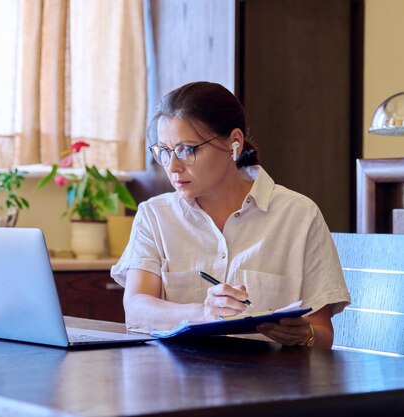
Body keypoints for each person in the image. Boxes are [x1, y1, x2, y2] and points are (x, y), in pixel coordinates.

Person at [111, 81, 350, 349]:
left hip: (269, 384)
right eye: (165, 152)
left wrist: (305, 336)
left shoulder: (299, 216)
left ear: (234, 143)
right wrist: (203, 313)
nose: (173, 167)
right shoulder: (154, 216)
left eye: (186, 150)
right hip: (177, 384)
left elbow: (322, 335)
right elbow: (136, 310)